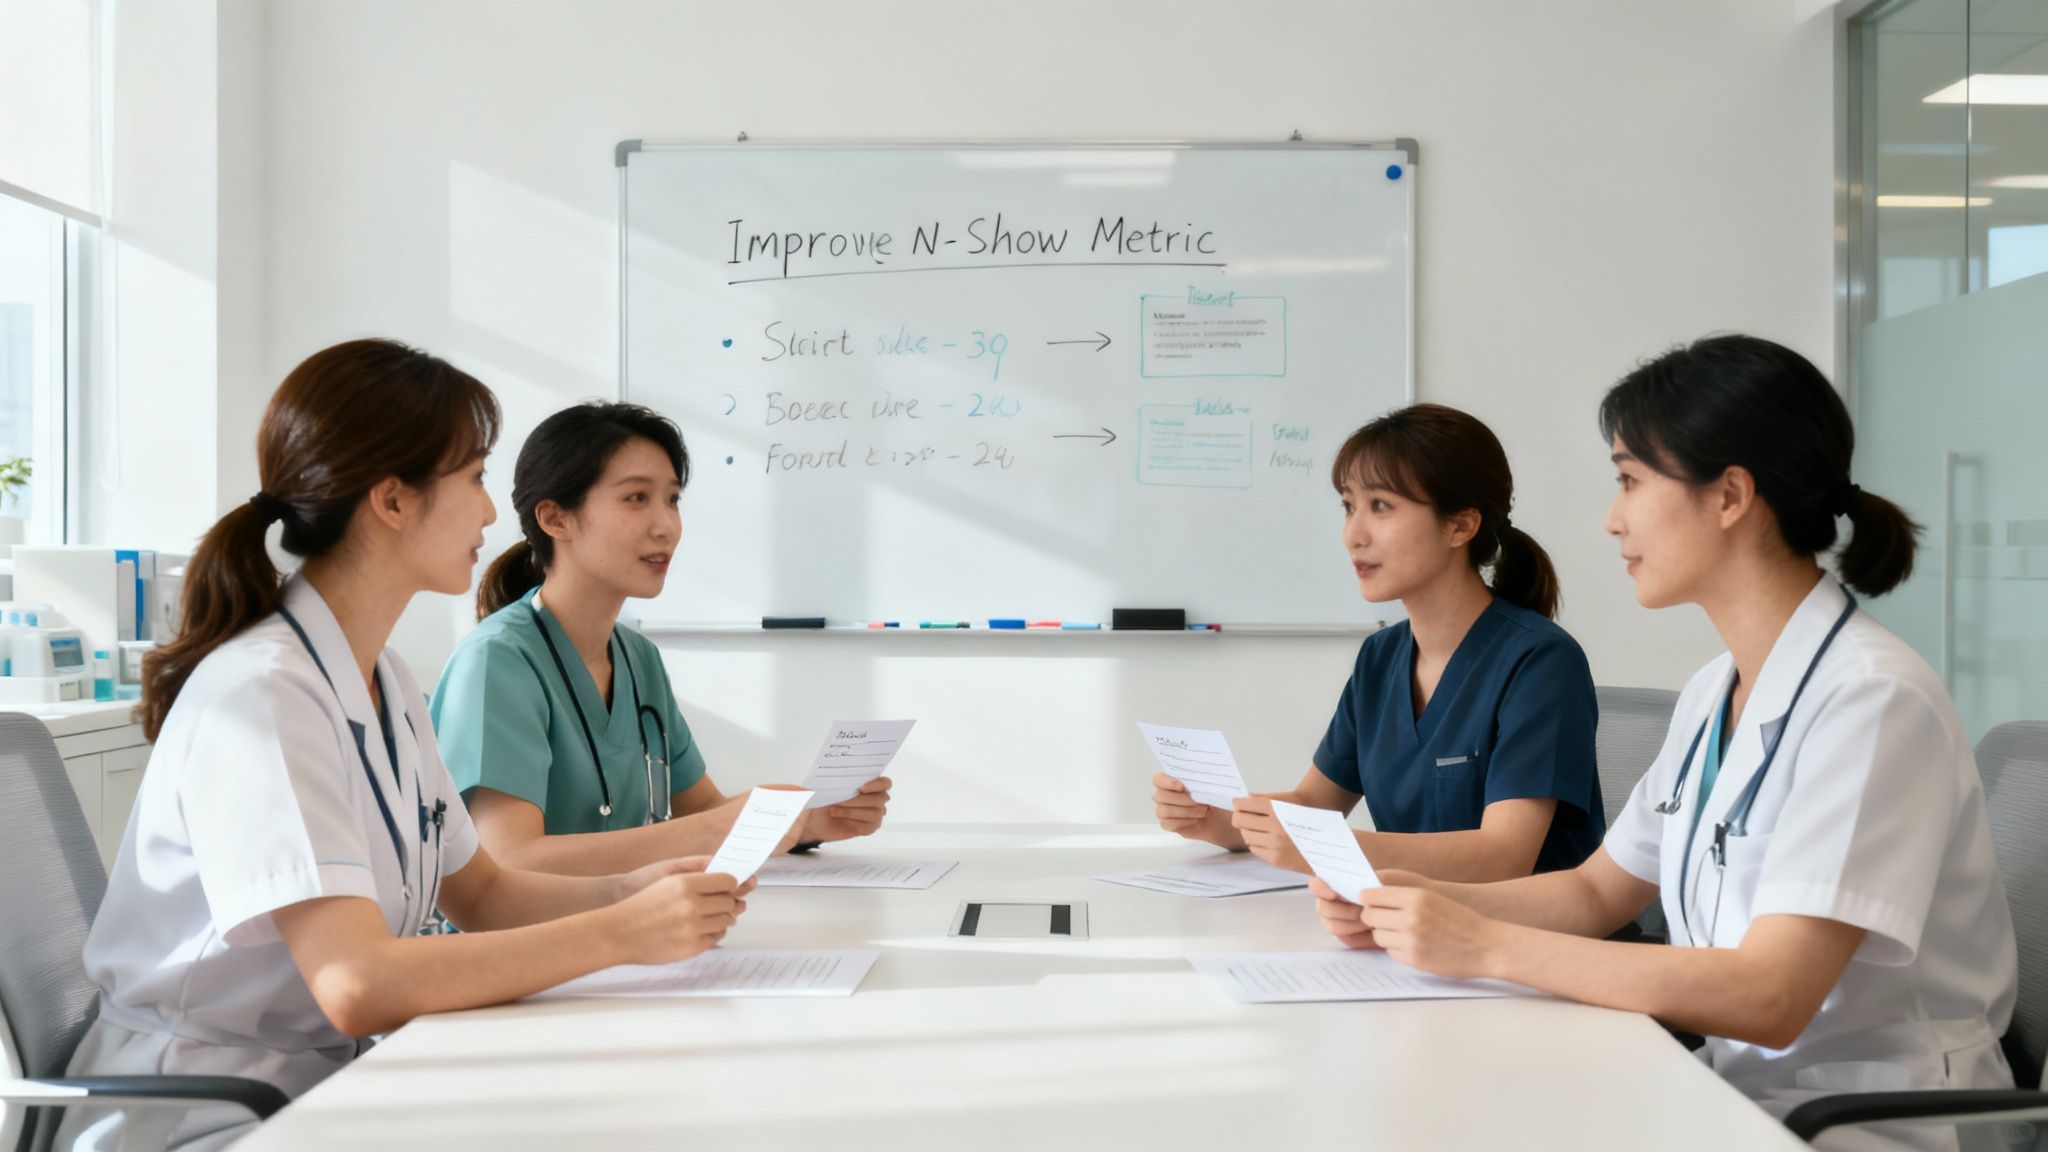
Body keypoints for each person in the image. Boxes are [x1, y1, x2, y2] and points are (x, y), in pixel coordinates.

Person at [1315, 336, 2016, 1151]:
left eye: (1629, 479)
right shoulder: (1718, 687)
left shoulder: (1870, 701)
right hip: (1733, 1090)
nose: (1613, 518)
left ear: (1729, 496)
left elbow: (1770, 994)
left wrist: (1485, 944)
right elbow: (1593, 895)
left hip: (1865, 1123)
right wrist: (1407, 901)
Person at [60, 341, 750, 1152]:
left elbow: (482, 894)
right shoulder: (263, 695)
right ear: (393, 500)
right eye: (475, 479)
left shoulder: (380, 675)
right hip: (211, 1115)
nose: (494, 514)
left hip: (331, 1085)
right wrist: (622, 933)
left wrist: (628, 891)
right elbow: (354, 983)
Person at [431, 402, 889, 875]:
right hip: (526, 947)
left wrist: (811, 821)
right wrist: (718, 829)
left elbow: (704, 811)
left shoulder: (637, 658)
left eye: (672, 500)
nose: (666, 526)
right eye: (636, 498)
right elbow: (509, 861)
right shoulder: (496, 662)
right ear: (555, 519)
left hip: (631, 935)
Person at [1155, 403, 1604, 881]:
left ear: (1460, 525)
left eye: (1381, 506)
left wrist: (1321, 844)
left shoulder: (1541, 662)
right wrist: (1218, 820)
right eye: (1349, 506)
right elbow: (1314, 803)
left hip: (1532, 943)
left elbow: (1502, 855)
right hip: (1416, 932)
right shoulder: (1380, 657)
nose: (1353, 534)